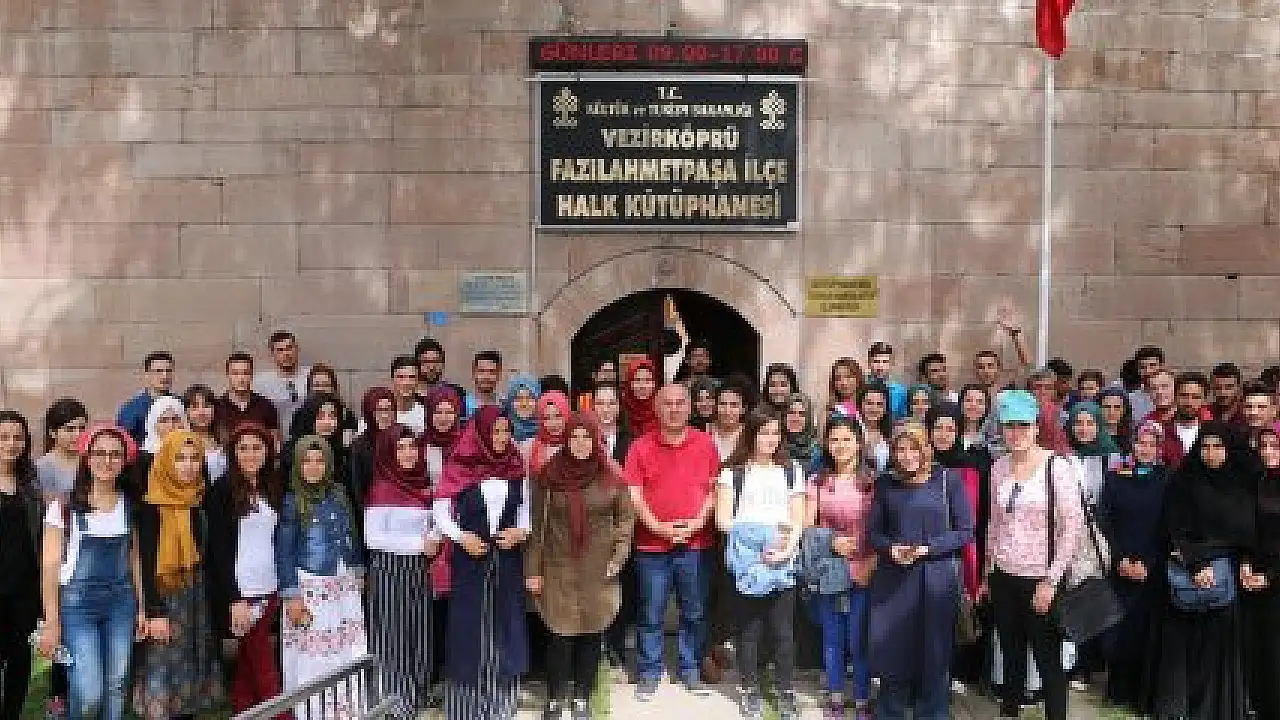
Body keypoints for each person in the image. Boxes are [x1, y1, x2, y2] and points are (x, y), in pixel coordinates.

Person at [983, 390, 1085, 720]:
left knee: (1047, 659)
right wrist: (987, 571)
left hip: (1041, 578)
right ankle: (1010, 712)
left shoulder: (1057, 467)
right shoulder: (999, 467)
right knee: (1010, 654)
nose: (1016, 433)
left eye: (1023, 425)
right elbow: (994, 522)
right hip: (1004, 575)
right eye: (1009, 426)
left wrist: (1051, 580)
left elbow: (1071, 527)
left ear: (1036, 427)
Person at [526, 413, 635, 720]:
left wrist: (618, 557)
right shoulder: (548, 476)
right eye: (574, 437)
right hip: (558, 567)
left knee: (591, 633)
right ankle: (555, 697)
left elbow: (625, 520)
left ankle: (582, 697)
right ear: (566, 439)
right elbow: (537, 527)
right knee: (560, 636)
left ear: (596, 439)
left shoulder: (611, 475)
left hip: (598, 570)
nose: (580, 443)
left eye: (586, 437)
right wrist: (533, 570)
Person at [37, 424, 145, 720]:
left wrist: (142, 608)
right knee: (89, 691)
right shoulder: (64, 507)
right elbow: (49, 567)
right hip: (77, 606)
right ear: (87, 457)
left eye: (114, 454)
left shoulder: (130, 505)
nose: (107, 461)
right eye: (99, 453)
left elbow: (135, 559)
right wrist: (51, 622)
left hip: (121, 602)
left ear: (124, 460)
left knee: (117, 684)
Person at [867, 423, 974, 720]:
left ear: (926, 448)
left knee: (935, 651)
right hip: (894, 579)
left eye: (913, 448)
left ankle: (933, 712)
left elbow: (965, 530)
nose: (907, 456)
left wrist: (929, 548)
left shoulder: (948, 480)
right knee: (893, 647)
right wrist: (891, 549)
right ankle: (890, 712)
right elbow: (873, 533)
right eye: (900, 449)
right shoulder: (885, 484)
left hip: (936, 579)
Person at [433, 407, 531, 720]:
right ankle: (466, 708)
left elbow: (525, 510)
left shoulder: (515, 464)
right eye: (495, 431)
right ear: (481, 433)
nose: (501, 438)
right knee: (469, 630)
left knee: (505, 627)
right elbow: (440, 512)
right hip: (469, 560)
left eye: (506, 431)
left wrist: (520, 532)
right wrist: (461, 537)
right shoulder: (460, 465)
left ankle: (500, 705)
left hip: (506, 559)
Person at [625, 384, 721, 700]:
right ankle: (649, 671)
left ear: (690, 408)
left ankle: (690, 667)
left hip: (696, 544)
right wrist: (658, 527)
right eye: (668, 403)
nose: (675, 409)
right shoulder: (639, 447)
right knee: (651, 612)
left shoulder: (705, 444)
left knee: (694, 610)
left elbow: (714, 492)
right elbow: (634, 494)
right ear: (656, 409)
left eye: (681, 403)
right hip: (651, 546)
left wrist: (696, 524)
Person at [1153, 422, 1254, 719]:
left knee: (1217, 650)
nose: (1211, 453)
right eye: (1205, 446)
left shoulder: (1239, 483)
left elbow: (1246, 532)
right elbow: (1172, 527)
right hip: (1187, 572)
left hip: (1226, 577)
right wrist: (1197, 563)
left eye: (1218, 446)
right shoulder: (1184, 479)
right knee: (1181, 648)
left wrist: (1232, 561)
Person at [716, 410, 807, 720]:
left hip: (782, 558)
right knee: (749, 630)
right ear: (751, 434)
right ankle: (749, 688)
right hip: (748, 561)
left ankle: (785, 691)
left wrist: (784, 550)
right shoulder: (733, 472)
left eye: (775, 433)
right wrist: (756, 541)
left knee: (783, 631)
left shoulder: (792, 470)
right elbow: (722, 520)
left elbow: (798, 519)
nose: (771, 439)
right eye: (764, 432)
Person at [133, 430, 225, 718]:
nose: (188, 465)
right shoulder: (150, 507)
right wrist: (154, 612)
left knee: (189, 676)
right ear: (165, 462)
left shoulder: (199, 502)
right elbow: (146, 563)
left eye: (194, 458)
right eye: (180, 458)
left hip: (194, 600)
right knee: (162, 672)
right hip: (164, 598)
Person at [276, 436, 367, 716]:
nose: (314, 467)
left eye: (319, 461)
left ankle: (347, 710)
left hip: (343, 586)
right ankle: (315, 712)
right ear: (298, 465)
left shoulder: (338, 494)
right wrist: (291, 595)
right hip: (311, 588)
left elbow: (351, 533)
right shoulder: (292, 501)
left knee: (347, 649)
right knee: (315, 654)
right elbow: (284, 551)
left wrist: (357, 568)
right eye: (307, 461)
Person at [204, 422, 285, 714]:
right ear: (233, 453)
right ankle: (280, 713)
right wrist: (234, 598)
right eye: (243, 449)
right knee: (263, 663)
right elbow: (218, 550)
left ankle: (243, 710)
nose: (250, 454)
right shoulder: (222, 490)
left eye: (257, 448)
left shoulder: (272, 486)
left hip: (269, 584)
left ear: (267, 451)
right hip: (242, 591)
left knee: (249, 665)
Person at [365, 424, 442, 718]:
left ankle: (419, 693)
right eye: (400, 448)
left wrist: (434, 537)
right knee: (393, 637)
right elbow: (373, 538)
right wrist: (418, 544)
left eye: (412, 447)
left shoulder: (422, 484)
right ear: (388, 452)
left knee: (419, 632)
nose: (408, 453)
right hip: (390, 571)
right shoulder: (382, 487)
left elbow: (432, 522)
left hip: (418, 569)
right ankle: (396, 703)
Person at [1094, 420, 1169, 714]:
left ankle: (1141, 694)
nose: (1145, 449)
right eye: (1141, 443)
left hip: (1152, 568)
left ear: (1159, 448)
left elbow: (1167, 526)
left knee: (1144, 633)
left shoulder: (1167, 479)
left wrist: (1148, 563)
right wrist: (1120, 559)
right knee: (1117, 631)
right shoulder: (1116, 477)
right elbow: (1105, 519)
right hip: (1120, 565)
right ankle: (1117, 689)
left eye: (1152, 444)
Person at [805, 416, 875, 720]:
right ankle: (835, 697)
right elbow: (807, 526)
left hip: (865, 570)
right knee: (833, 638)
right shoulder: (818, 482)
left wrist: (872, 562)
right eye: (834, 439)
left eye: (847, 439)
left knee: (859, 639)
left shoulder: (873, 482)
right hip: (830, 569)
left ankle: (862, 699)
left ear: (858, 443)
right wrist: (831, 541)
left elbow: (884, 526)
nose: (840, 445)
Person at [924, 403, 983, 687]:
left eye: (951, 429)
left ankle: (945, 681)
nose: (944, 435)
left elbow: (972, 518)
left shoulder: (969, 466)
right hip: (919, 553)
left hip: (955, 554)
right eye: (938, 428)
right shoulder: (916, 464)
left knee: (952, 620)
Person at [419, 385, 462, 707]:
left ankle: (456, 677)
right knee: (432, 612)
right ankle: (432, 677)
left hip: (460, 536)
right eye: (438, 412)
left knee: (458, 611)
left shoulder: (467, 444)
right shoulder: (419, 446)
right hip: (428, 538)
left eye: (450, 411)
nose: (444, 418)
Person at [0, 410, 43, 719]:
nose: (11, 444)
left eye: (18, 437)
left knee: (19, 658)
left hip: (24, 589)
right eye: (3, 437)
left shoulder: (30, 484)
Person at [1244, 426, 1280, 719]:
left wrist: (1269, 576)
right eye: (1264, 445)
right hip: (1253, 576)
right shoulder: (1257, 480)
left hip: (1275, 578)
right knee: (1257, 646)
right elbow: (1246, 527)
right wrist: (1246, 563)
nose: (1268, 452)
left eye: (1275, 446)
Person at [252, 331, 310, 440]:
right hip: (275, 442)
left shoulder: (312, 376)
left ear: (297, 349)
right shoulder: (260, 383)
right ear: (272, 354)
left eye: (289, 348)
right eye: (280, 350)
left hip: (308, 443)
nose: (286, 354)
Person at [214, 352, 280, 445]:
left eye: (245, 373)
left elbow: (275, 443)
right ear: (227, 375)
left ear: (252, 375)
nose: (241, 379)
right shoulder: (217, 407)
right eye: (235, 373)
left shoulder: (266, 406)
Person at [117, 351, 175, 445]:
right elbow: (124, 442)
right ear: (147, 375)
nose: (164, 376)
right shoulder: (131, 409)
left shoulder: (180, 404)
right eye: (158, 371)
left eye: (168, 371)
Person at [38, 398, 89, 502]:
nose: (77, 435)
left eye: (82, 428)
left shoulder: (92, 460)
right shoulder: (43, 467)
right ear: (52, 432)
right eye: (70, 429)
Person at [183, 383, 227, 480]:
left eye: (206, 406)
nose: (201, 412)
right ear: (186, 411)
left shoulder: (224, 438)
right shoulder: (182, 441)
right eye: (195, 407)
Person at [529, 391, 571, 473]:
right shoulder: (536, 448)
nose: (553, 423)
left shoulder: (575, 442)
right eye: (547, 418)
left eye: (558, 416)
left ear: (566, 415)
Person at [867, 342, 908, 420]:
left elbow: (902, 419)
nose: (880, 367)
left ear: (891, 364)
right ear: (869, 363)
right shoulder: (861, 386)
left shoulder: (900, 391)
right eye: (876, 362)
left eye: (885, 362)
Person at [621, 358, 660, 439]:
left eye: (647, 380)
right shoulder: (620, 412)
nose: (642, 386)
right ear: (630, 383)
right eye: (637, 380)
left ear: (654, 384)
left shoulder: (662, 411)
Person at [858, 382, 893, 472]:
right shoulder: (850, 430)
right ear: (861, 405)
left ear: (885, 408)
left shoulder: (891, 434)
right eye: (869, 403)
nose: (874, 409)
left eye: (879, 404)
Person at [782, 393, 821, 471]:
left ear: (808, 418)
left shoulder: (816, 453)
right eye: (791, 413)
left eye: (801, 414)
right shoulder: (774, 445)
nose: (796, 418)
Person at [1129, 346, 1167, 424]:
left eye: (1152, 365)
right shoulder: (1131, 399)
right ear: (1138, 370)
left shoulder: (1175, 395)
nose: (1148, 371)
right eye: (1143, 367)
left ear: (1162, 367)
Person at [390, 355, 427, 434]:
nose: (406, 383)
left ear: (418, 381)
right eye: (401, 377)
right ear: (393, 380)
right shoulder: (380, 413)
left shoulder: (427, 414)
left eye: (411, 377)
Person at [505, 373, 542, 446]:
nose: (524, 404)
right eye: (519, 398)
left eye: (529, 398)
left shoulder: (548, 432)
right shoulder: (501, 432)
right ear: (510, 401)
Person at [464, 350, 504, 419]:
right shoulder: (462, 406)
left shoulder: (503, 406)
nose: (486, 377)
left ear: (499, 375)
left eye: (492, 372)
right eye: (481, 371)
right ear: (474, 374)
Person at [1097, 387, 1134, 455]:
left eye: (1117, 407)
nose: (1111, 412)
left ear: (1124, 409)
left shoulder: (1134, 436)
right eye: (1107, 407)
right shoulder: (1090, 435)